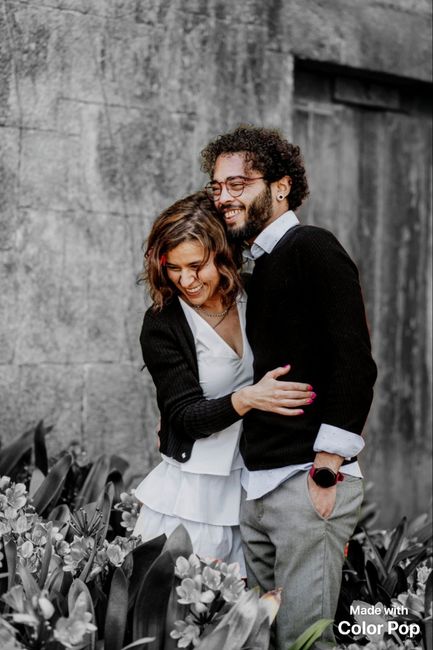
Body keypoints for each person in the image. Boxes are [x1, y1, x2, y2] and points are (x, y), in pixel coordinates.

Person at [200, 125, 378, 647]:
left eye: (239, 184)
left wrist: (326, 468)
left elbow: (354, 361)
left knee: (305, 640)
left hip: (305, 481)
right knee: (267, 639)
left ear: (281, 187)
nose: (224, 197)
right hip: (259, 485)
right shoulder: (258, 264)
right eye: (217, 186)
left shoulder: (311, 246)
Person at [133, 191, 314, 573]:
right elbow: (186, 416)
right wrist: (249, 398)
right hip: (196, 492)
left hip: (259, 481)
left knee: (257, 600)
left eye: (196, 266)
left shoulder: (257, 294)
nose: (186, 280)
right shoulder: (163, 322)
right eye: (173, 268)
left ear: (222, 255)